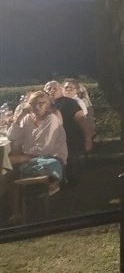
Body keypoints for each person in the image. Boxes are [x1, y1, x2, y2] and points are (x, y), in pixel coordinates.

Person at [7, 91, 68, 222]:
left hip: (51, 158)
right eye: (34, 104)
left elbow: (45, 148)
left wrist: (24, 155)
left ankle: (17, 209)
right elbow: (11, 136)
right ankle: (15, 210)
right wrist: (18, 118)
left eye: (42, 103)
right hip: (32, 158)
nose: (38, 107)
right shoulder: (27, 119)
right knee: (6, 165)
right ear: (29, 105)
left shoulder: (51, 119)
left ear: (48, 104)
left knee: (9, 165)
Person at [44, 81, 92, 184]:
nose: (52, 90)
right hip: (55, 142)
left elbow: (82, 121)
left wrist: (88, 138)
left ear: (61, 89)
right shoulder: (47, 106)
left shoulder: (69, 103)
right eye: (49, 89)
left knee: (71, 168)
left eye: (55, 88)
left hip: (71, 140)